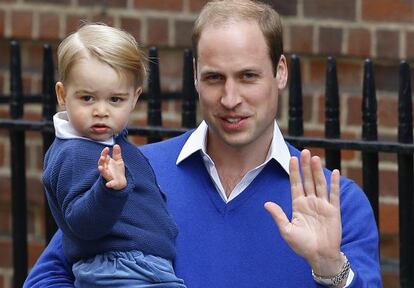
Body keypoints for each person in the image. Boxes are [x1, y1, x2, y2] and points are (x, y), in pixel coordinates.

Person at [24, 1, 381, 287]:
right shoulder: (131, 170)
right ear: (195, 75)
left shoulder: (338, 204)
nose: (230, 98)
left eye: (248, 76)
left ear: (281, 72)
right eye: (214, 77)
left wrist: (330, 267)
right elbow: (46, 278)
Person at [37, 23, 185, 287]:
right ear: (62, 94)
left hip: (142, 264)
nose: (101, 110)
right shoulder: (73, 153)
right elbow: (82, 224)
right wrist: (110, 191)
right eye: (87, 98)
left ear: (134, 97)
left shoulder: (112, 144)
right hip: (118, 266)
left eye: (115, 99)